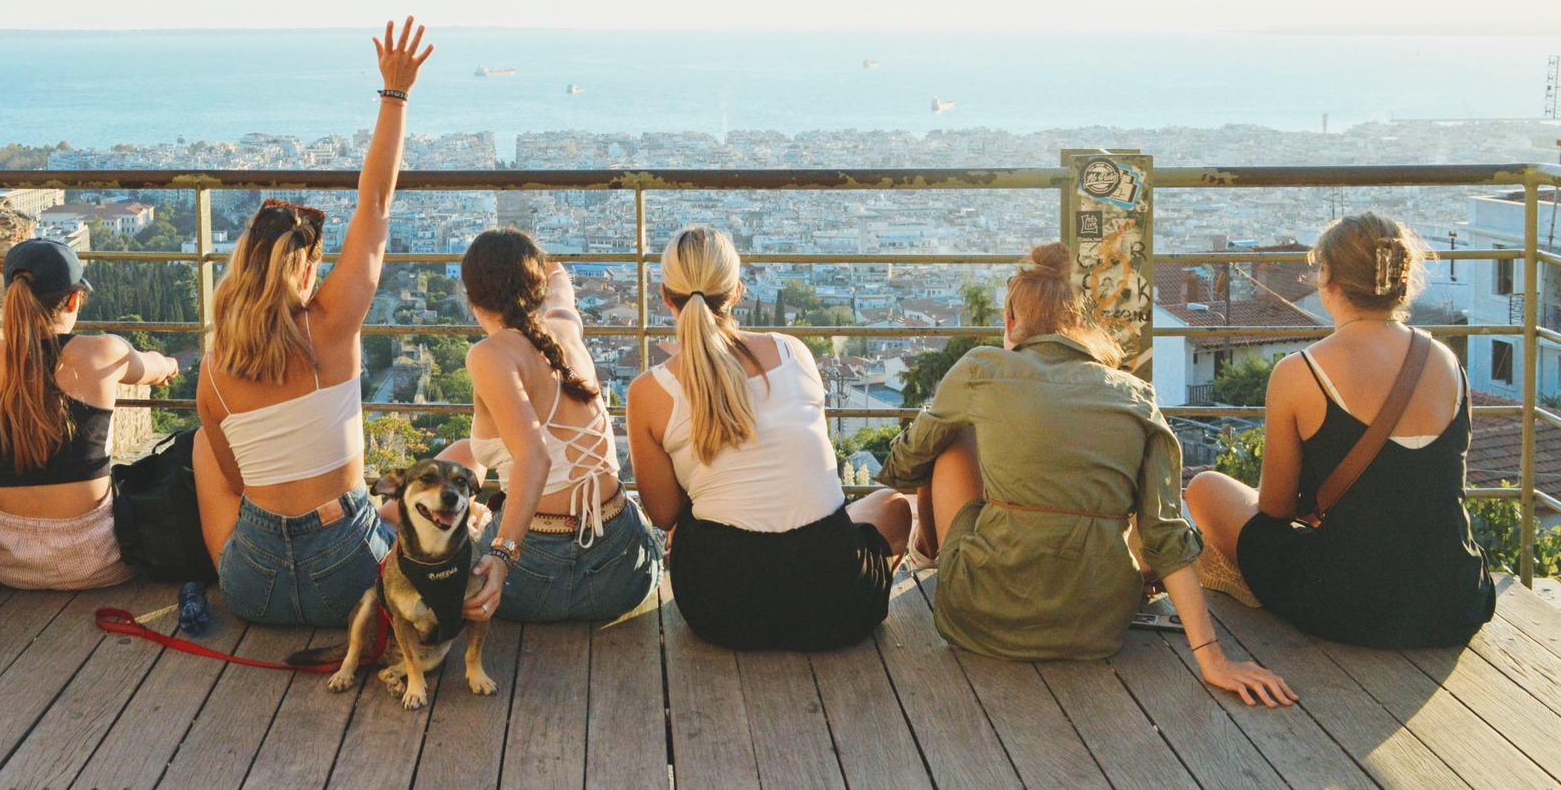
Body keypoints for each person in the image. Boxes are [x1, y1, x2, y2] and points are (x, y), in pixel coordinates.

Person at [879, 243, 1295, 707]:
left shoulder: (982, 368)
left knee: (953, 442)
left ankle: (926, 555)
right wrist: (1212, 656)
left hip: (979, 615)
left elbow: (904, 465)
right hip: (1098, 626)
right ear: (1080, 325)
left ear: (1012, 322)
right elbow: (1165, 534)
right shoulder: (1136, 395)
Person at [193, 17, 433, 626]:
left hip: (253, 587)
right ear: (305, 273)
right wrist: (394, 94)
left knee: (202, 443)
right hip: (348, 576)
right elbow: (375, 202)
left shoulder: (215, 370)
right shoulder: (332, 324)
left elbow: (232, 477)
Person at [1184, 213, 1496, 648]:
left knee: (1205, 488)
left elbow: (1273, 510)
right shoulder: (1446, 360)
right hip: (1457, 601)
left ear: (1328, 276)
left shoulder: (1301, 371)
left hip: (1349, 605)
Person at [627, 227, 906, 650]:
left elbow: (665, 514)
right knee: (895, 506)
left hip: (720, 608)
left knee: (693, 523)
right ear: (737, 292)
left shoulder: (649, 391)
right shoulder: (793, 352)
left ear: (665, 295)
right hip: (835, 604)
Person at [450, 227, 661, 625]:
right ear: (537, 289)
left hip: (529, 576)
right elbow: (561, 285)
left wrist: (501, 553)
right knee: (464, 452)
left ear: (472, 299)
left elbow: (534, 456)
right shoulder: (564, 327)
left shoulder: (490, 355)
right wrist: (547, 268)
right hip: (623, 571)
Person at [0, 236, 178, 589]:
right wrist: (168, 364)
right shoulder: (104, 351)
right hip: (96, 562)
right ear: (75, 299)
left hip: (5, 562)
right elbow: (151, 367)